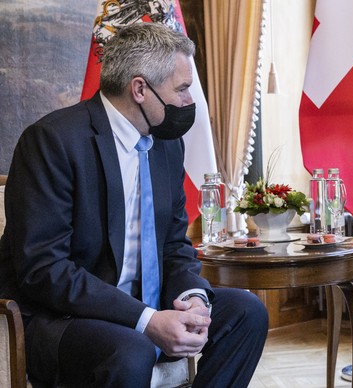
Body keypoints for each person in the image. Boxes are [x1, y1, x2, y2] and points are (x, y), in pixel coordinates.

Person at [0, 23, 268, 387]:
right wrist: (146, 320)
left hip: (148, 303)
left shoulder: (166, 144)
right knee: (132, 349)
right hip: (62, 317)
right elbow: (44, 269)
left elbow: (174, 244)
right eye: (183, 89)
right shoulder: (53, 142)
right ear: (140, 88)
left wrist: (193, 299)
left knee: (247, 312)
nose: (191, 103)